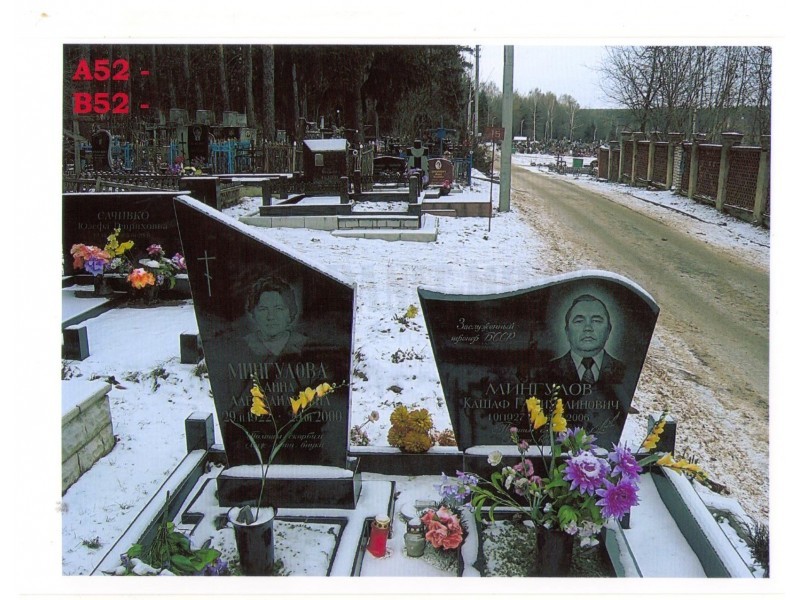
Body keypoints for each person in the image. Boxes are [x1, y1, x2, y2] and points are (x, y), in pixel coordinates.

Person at [540, 294, 626, 388]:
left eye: (596, 321)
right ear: (567, 331)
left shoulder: (626, 372)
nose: (588, 328)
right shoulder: (546, 372)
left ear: (608, 330)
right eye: (579, 321)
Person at [243, 276, 307, 360]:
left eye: (279, 309)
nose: (270, 317)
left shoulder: (307, 345)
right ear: (253, 314)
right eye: (263, 309)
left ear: (290, 312)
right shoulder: (240, 346)